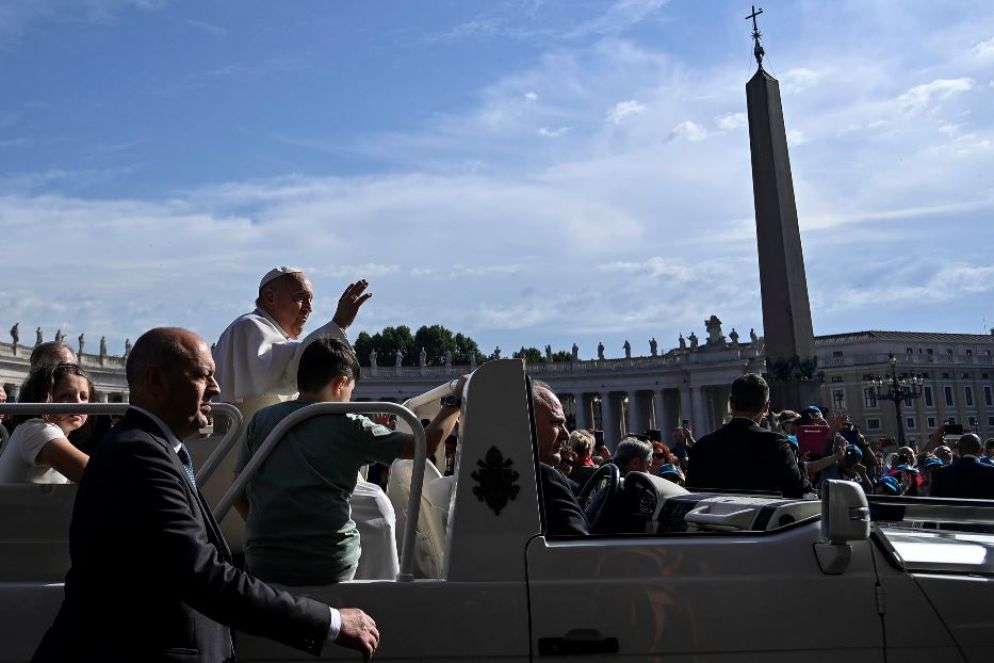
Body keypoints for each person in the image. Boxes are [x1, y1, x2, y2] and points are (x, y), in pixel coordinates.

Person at [32, 327, 378, 662]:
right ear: (155, 381)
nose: (216, 388)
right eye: (203, 376)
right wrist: (330, 621)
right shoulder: (138, 455)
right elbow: (202, 575)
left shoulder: (148, 448)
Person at [234, 338, 463, 586]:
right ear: (341, 383)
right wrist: (453, 404)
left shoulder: (262, 420)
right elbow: (424, 446)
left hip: (263, 561)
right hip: (327, 562)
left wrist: (269, 537)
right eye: (351, 392)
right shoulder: (349, 423)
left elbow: (238, 490)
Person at [686, 373, 812, 498]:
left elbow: (690, 496)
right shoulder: (777, 445)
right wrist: (801, 467)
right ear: (767, 407)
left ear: (731, 403)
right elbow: (802, 493)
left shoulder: (701, 447)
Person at [0, 363, 92, 484]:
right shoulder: (36, 429)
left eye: (83, 397)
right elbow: (96, 474)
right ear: (44, 398)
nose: (78, 403)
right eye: (66, 396)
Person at [532, 380, 590, 536]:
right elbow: (582, 547)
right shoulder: (545, 478)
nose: (566, 434)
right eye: (556, 423)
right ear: (527, 426)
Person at [930, 434, 994, 499]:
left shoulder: (941, 473)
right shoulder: (991, 472)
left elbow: (934, 501)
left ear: (959, 450)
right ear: (981, 451)